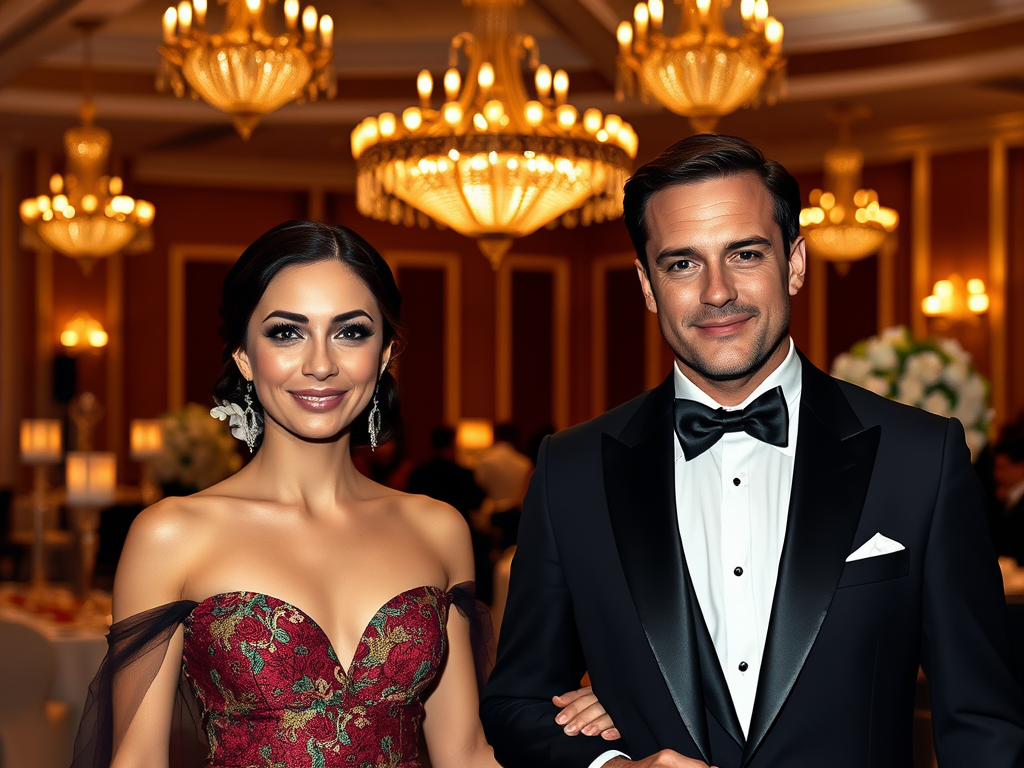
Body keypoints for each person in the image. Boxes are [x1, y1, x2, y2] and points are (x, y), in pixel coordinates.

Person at [481, 135, 1024, 768]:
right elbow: (516, 701)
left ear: (794, 263)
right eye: (682, 263)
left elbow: (983, 725)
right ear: (648, 284)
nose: (716, 292)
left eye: (744, 254)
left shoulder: (920, 458)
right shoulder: (571, 469)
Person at [72, 221, 617, 768]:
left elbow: (467, 755)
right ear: (243, 355)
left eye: (350, 332)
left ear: (383, 356)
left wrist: (616, 739)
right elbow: (136, 760)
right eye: (286, 332)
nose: (320, 364)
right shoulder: (173, 534)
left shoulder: (438, 527)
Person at [474, 423, 533, 552]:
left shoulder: (485, 460)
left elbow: (479, 486)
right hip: (518, 516)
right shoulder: (524, 462)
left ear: (496, 436)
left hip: (492, 516)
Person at [407, 426, 486, 518]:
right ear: (453, 444)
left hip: (425, 525)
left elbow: (412, 504)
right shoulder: (464, 474)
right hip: (458, 525)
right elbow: (476, 503)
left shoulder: (418, 473)